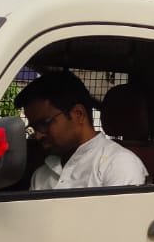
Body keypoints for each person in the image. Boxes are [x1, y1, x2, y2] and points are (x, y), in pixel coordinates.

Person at [19, 71, 147, 190]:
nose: (38, 135)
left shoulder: (118, 165)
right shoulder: (41, 174)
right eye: (34, 127)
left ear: (78, 114)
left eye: (44, 123)